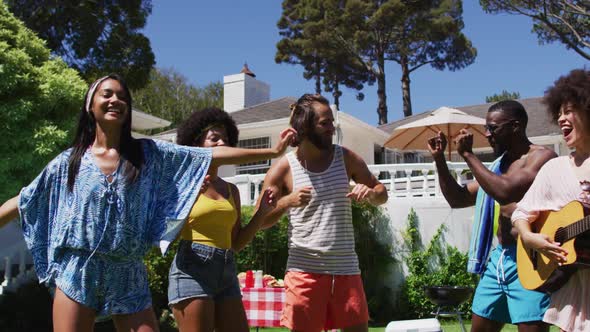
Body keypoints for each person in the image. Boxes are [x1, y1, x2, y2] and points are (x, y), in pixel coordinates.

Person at [0, 74, 295, 332]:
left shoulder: (149, 154)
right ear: (90, 105)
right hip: (80, 269)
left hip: (128, 270)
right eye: (107, 94)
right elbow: (24, 199)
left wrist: (272, 151)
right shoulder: (69, 162)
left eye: (122, 96)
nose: (116, 99)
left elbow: (208, 156)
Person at [259, 93, 388, 332]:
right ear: (305, 127)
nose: (332, 127)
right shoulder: (284, 169)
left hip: (346, 270)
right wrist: (287, 202)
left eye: (332, 121)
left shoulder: (346, 158)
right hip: (304, 272)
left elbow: (382, 193)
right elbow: (261, 220)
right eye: (324, 123)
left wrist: (370, 194)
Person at [427, 100, 557, 332]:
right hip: (500, 259)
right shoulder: (499, 166)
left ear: (515, 126)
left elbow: (506, 192)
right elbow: (457, 199)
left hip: (531, 259)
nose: (487, 134)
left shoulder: (542, 157)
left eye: (493, 128)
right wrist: (439, 160)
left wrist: (468, 154)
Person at [167, 108, 275, 332]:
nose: (222, 143)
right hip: (192, 269)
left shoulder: (231, 190)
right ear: (196, 144)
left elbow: (235, 243)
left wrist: (262, 212)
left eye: (225, 139)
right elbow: (168, 235)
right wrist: (192, 197)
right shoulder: (182, 184)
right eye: (214, 138)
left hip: (226, 269)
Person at [512, 68, 590, 332]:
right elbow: (522, 213)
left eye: (569, 111)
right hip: (574, 293)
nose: (562, 119)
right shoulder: (554, 169)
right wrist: (529, 237)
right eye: (559, 113)